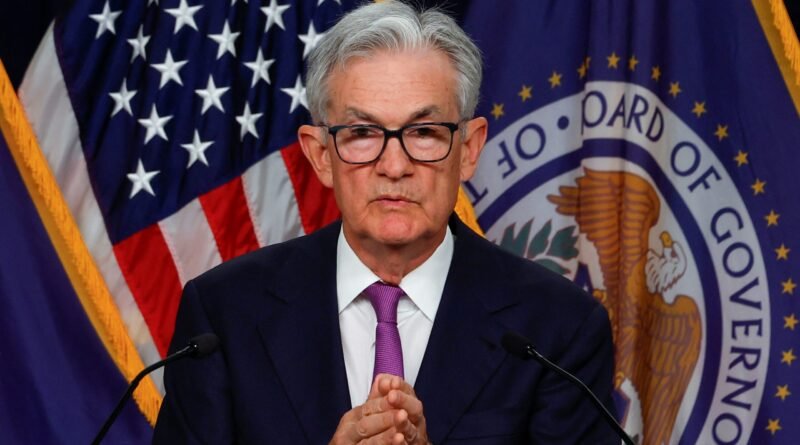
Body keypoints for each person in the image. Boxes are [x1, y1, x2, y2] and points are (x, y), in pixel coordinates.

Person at [153, 1, 617, 444]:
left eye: (424, 132)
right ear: (320, 155)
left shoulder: (558, 330)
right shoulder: (224, 316)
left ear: (470, 149)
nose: (394, 165)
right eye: (362, 133)